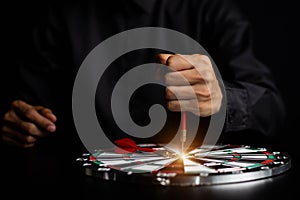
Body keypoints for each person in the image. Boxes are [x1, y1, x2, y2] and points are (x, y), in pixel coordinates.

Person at [0, 0, 286, 150]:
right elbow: (26, 110)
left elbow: (272, 109)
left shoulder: (210, 8)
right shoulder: (62, 14)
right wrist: (22, 124)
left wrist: (223, 99)